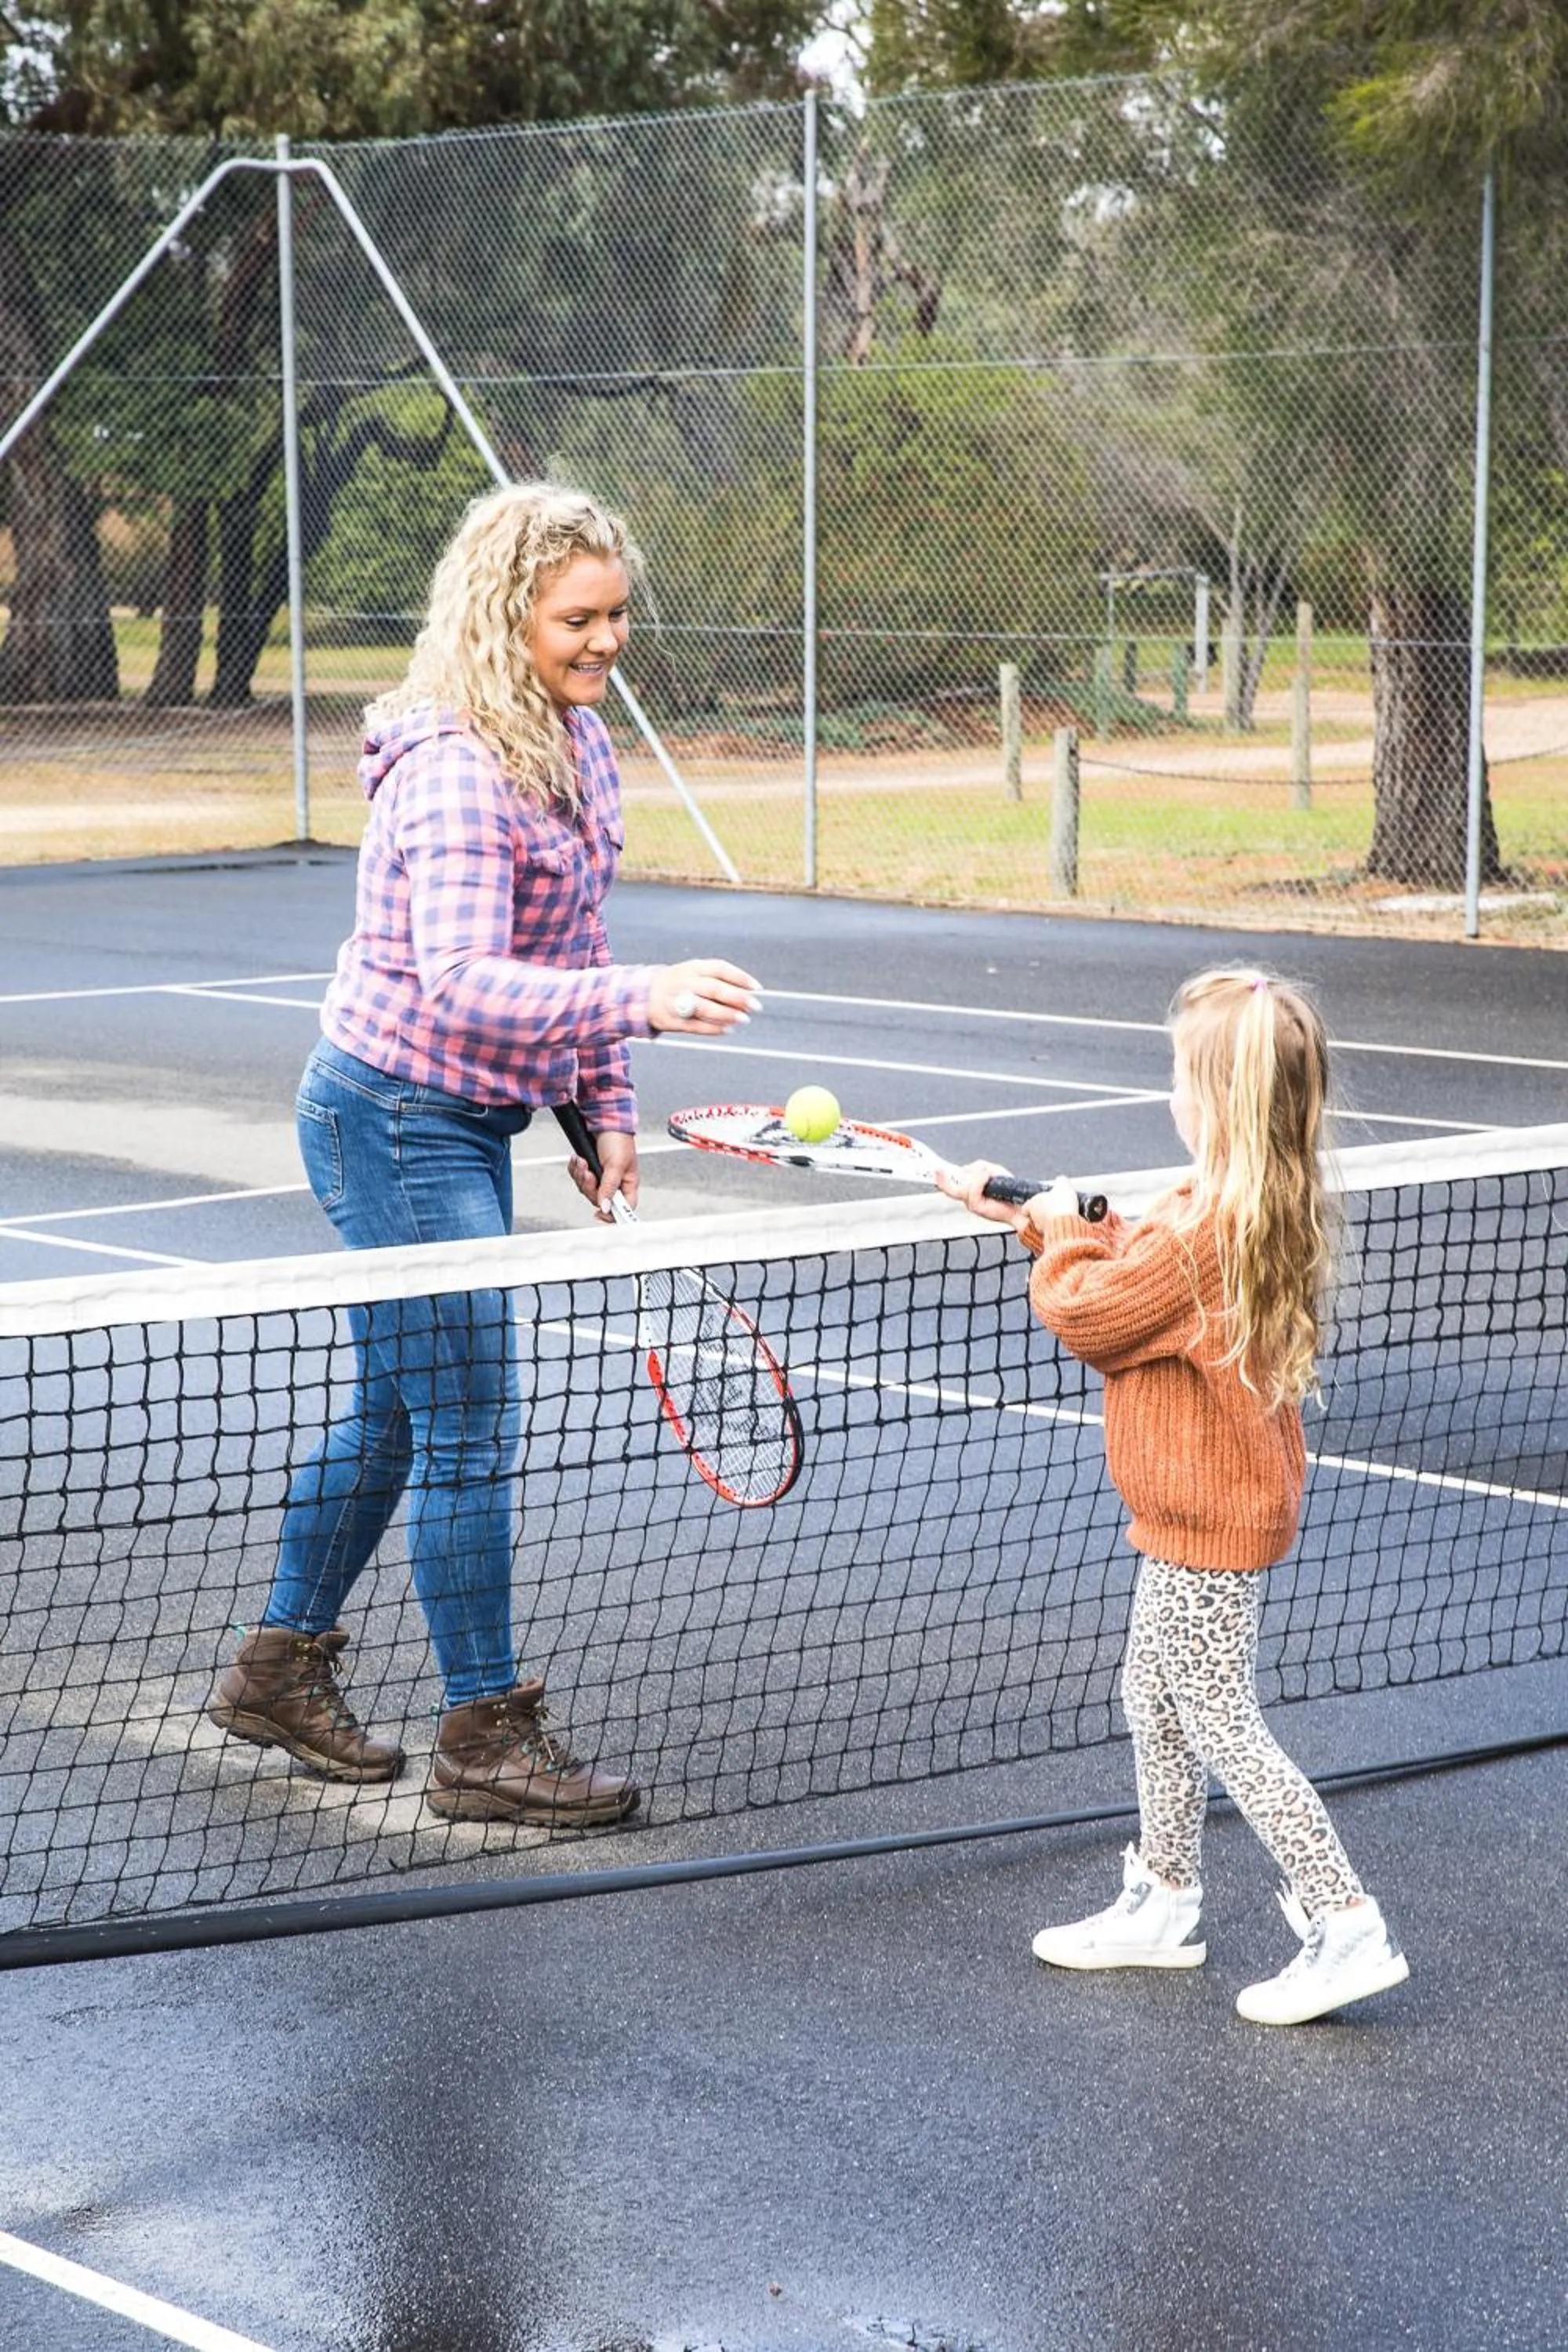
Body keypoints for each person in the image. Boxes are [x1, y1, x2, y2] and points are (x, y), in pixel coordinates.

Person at [206, 481, 760, 1828]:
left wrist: (603, 1111)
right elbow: (460, 979)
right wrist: (639, 998)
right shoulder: (460, 768)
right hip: (394, 1116)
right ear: (505, 612)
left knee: (403, 1413)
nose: (608, 640)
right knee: (466, 1429)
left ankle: (275, 1673)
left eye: (620, 613)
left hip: (462, 1118)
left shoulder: (576, 740)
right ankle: (485, 1742)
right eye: (581, 617)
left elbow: (564, 953)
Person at [938, 966, 1410, 2027]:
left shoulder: (1205, 1228)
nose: (1172, 1095)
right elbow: (1132, 1265)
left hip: (1208, 1518)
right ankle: (1163, 1898)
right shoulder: (1229, 1203)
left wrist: (1057, 1237)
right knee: (1153, 1698)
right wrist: (1038, 1215)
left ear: (1216, 1100)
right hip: (1200, 1509)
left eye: (1180, 1078)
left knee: (1219, 1718)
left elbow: (1094, 1314)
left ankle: (1346, 1923)